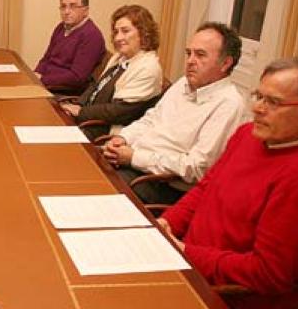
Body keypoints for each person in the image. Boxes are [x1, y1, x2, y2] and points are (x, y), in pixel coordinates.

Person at [157, 58, 298, 309]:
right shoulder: (247, 134)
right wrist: (167, 222)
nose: (257, 108)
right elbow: (205, 188)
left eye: (273, 102)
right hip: (189, 264)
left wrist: (187, 252)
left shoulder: (296, 176)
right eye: (259, 96)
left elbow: (268, 273)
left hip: (234, 302)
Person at [103, 22, 246, 204]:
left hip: (163, 185)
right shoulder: (183, 83)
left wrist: (134, 158)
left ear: (226, 63)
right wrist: (123, 138)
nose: (190, 61)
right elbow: (150, 120)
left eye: (200, 55)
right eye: (189, 53)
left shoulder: (229, 104)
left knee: (95, 194)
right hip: (134, 163)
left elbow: (195, 168)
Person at [60, 4, 163, 140]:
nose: (118, 38)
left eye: (125, 31)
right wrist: (78, 104)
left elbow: (120, 111)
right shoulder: (120, 58)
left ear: (144, 33)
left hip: (103, 131)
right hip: (86, 119)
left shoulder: (148, 68)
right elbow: (96, 86)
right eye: (116, 32)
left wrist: (81, 112)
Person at [34, 0, 106, 93]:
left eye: (73, 6)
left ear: (85, 10)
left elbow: (77, 77)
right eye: (63, 7)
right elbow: (47, 58)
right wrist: (35, 75)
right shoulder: (61, 27)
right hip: (45, 84)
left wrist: (42, 80)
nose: (66, 11)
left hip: (63, 91)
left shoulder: (92, 35)